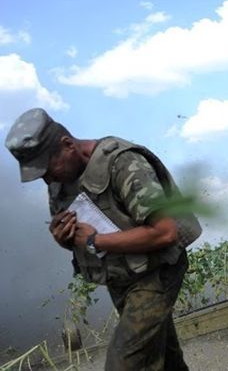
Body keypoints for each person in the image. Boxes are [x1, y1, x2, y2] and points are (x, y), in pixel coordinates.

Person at [4, 108, 202, 370]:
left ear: (68, 145)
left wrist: (95, 241)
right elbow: (81, 236)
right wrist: (65, 238)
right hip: (121, 278)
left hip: (157, 271)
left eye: (48, 168)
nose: (47, 179)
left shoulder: (123, 163)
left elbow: (165, 232)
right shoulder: (58, 185)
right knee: (163, 358)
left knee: (124, 363)